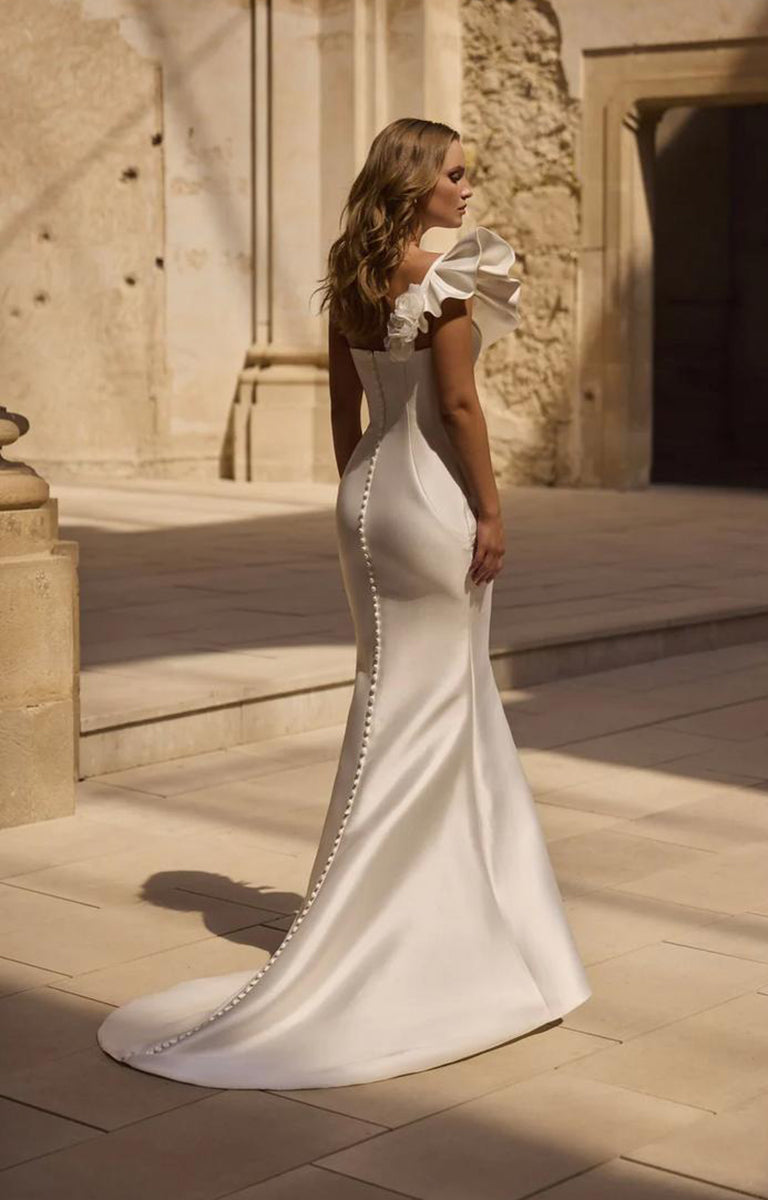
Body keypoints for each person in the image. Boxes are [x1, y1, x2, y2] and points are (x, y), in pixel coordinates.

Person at [96, 117, 591, 1090]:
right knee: (433, 705)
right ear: (414, 182)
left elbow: (341, 410)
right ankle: (409, 922)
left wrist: (359, 491)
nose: (466, 191)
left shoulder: (353, 274)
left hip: (366, 495)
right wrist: (490, 509)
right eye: (454, 175)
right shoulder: (445, 274)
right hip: (431, 498)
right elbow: (457, 408)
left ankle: (422, 903)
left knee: (397, 695)